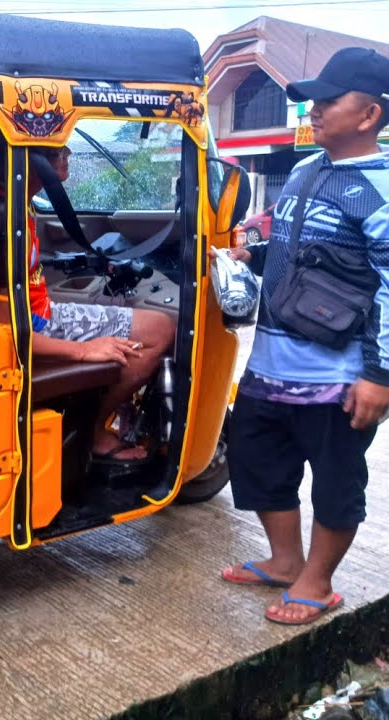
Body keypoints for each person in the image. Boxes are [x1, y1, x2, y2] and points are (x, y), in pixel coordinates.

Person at [217, 47, 389, 625]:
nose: (314, 111)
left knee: (336, 482)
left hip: (340, 375)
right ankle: (286, 560)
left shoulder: (382, 188)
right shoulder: (303, 169)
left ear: (368, 115)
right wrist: (253, 253)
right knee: (256, 458)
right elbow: (296, 249)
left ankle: (318, 582)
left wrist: (378, 374)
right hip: (270, 362)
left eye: (328, 100)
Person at [0, 142, 176, 461]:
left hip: (32, 313)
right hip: (35, 324)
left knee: (143, 320)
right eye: (58, 150)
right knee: (160, 329)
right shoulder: (1, 219)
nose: (67, 156)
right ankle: (91, 431)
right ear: (29, 153)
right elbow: (5, 333)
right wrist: (84, 350)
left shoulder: (0, 188)